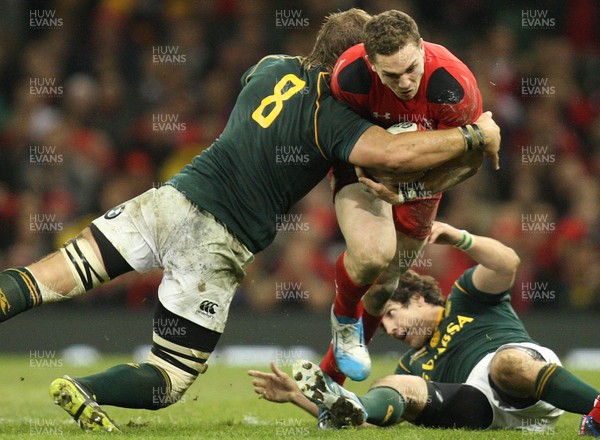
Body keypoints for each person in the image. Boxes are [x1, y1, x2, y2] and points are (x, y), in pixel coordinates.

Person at [0, 9, 500, 433]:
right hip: (217, 241)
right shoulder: (336, 115)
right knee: (169, 376)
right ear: (356, 66)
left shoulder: (267, 66)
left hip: (169, 199)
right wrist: (476, 136)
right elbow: (394, 155)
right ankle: (86, 388)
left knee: (44, 278)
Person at [249, 221, 600, 434]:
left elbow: (508, 263)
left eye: (389, 315)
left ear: (417, 297)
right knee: (394, 384)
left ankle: (597, 410)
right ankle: (349, 400)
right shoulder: (412, 364)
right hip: (482, 411)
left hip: (522, 378)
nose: (387, 329)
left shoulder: (466, 297)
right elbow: (370, 424)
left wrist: (460, 238)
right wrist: (298, 397)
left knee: (505, 365)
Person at [323, 9, 488, 384]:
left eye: (411, 68)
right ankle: (345, 321)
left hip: (424, 182)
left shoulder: (453, 85)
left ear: (421, 48)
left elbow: (470, 163)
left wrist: (409, 188)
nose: (405, 82)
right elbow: (337, 139)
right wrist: (373, 165)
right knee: (370, 258)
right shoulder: (349, 78)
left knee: (384, 286)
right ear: (371, 64)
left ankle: (329, 387)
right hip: (364, 170)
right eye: (391, 75)